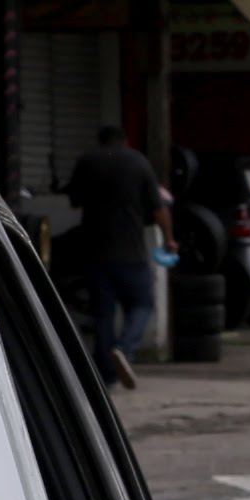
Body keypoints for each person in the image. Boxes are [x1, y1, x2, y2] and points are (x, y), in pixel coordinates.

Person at [65, 122, 170, 389]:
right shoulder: (138, 162)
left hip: (95, 253)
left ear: (100, 140)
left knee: (103, 313)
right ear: (125, 140)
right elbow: (158, 210)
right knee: (142, 304)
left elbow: (74, 199)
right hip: (130, 252)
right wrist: (170, 239)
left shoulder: (87, 160)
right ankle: (124, 349)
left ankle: (106, 377)